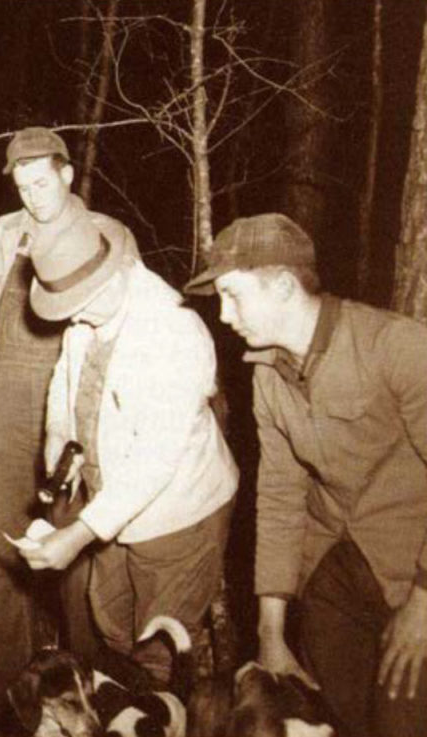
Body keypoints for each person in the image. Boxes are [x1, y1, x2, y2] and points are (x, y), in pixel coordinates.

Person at [184, 213, 427, 737]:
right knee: (340, 719)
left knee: (402, 719)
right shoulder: (267, 373)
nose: (224, 315)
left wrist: (425, 604)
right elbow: (279, 494)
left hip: (408, 574)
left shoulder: (397, 347)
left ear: (285, 287)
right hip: (330, 578)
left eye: (233, 295)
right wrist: (271, 629)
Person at [0, 126, 139, 715]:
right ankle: (12, 694)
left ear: (66, 174)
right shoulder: (2, 234)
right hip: (1, 399)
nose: (32, 194)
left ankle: (88, 692)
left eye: (41, 181)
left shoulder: (109, 233)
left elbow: (124, 329)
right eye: (22, 185)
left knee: (77, 558)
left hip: (74, 404)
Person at [18, 214, 238, 686]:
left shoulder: (173, 335)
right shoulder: (89, 312)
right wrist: (62, 439)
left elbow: (155, 459)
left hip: (175, 515)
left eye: (78, 303)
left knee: (161, 651)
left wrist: (77, 535)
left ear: (117, 271)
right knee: (114, 629)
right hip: (110, 504)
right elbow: (66, 381)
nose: (72, 316)